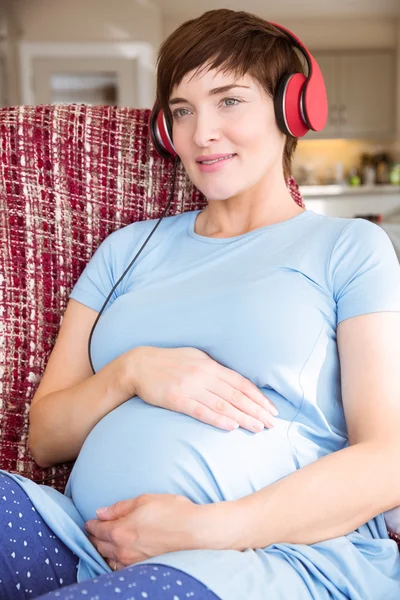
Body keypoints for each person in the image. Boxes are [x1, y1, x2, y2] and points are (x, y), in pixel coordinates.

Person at [1, 8, 400, 600]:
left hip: (265, 559)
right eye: (182, 110)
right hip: (83, 539)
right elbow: (46, 436)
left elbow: (388, 457)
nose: (200, 133)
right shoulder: (126, 250)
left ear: (293, 110)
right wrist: (133, 372)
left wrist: (207, 530)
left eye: (229, 101)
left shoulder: (349, 247)